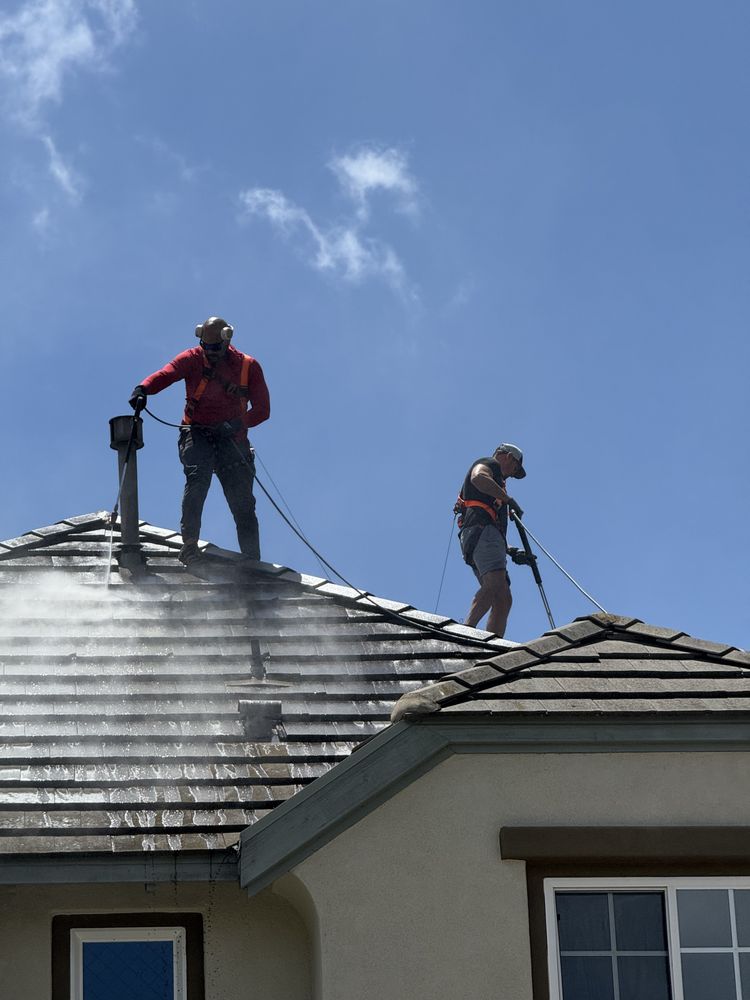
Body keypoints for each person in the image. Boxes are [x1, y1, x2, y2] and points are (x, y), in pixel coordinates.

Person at [129, 316, 270, 565]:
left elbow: (262, 409)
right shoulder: (192, 358)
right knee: (198, 479)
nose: (210, 352)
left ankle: (252, 561)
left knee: (243, 502)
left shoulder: (248, 367)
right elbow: (167, 374)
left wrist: (237, 424)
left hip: (232, 438)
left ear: (227, 341)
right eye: (207, 347)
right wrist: (144, 389)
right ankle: (190, 546)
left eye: (215, 348)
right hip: (197, 432)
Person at [456, 443, 535, 637]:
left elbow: (495, 530)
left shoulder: (498, 486)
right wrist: (508, 500)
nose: (512, 474)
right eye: (515, 468)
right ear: (507, 456)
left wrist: (511, 551)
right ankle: (465, 631)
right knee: (494, 585)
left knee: (504, 597)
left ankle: (492, 645)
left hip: (483, 538)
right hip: (481, 532)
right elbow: (477, 477)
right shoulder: (489, 464)